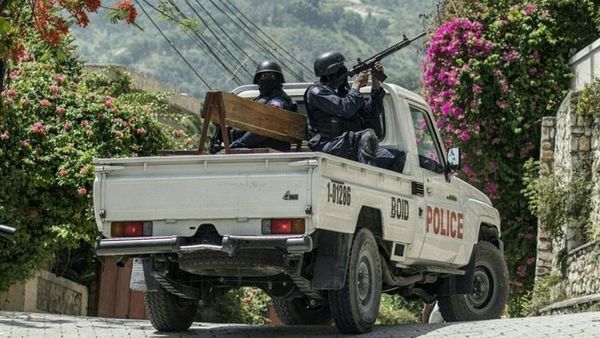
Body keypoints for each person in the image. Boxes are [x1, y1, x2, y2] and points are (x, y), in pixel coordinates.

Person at [304, 51, 405, 172]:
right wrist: (356, 85)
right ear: (331, 73)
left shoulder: (345, 92)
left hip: (350, 145)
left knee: (397, 157)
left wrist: (375, 82)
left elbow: (371, 113)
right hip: (327, 145)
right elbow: (345, 108)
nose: (344, 73)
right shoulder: (317, 92)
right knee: (366, 137)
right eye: (340, 70)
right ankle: (369, 181)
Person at [209, 60, 294, 153]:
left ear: (278, 79)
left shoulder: (278, 101)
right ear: (258, 80)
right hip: (256, 150)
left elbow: (264, 129)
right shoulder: (261, 100)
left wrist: (238, 144)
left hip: (267, 152)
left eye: (271, 76)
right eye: (263, 76)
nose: (266, 79)